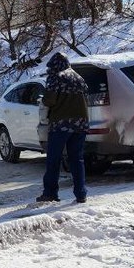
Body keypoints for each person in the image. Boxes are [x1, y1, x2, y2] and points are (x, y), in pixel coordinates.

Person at [37, 52, 89, 205]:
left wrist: (43, 99)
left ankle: (50, 193)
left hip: (61, 124)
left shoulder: (55, 77)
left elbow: (50, 100)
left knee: (54, 159)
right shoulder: (79, 78)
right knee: (77, 159)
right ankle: (81, 194)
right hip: (81, 124)